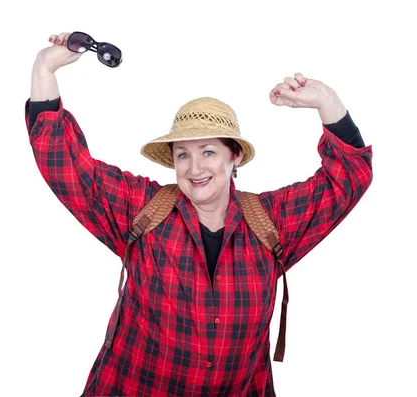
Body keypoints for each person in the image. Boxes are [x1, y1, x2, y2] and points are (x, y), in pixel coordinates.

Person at [26, 31, 373, 397]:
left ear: (234, 156)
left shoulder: (270, 222)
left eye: (208, 152)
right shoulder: (143, 209)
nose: (195, 168)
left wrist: (327, 102)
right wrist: (44, 69)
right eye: (183, 155)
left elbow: (347, 179)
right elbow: (64, 164)